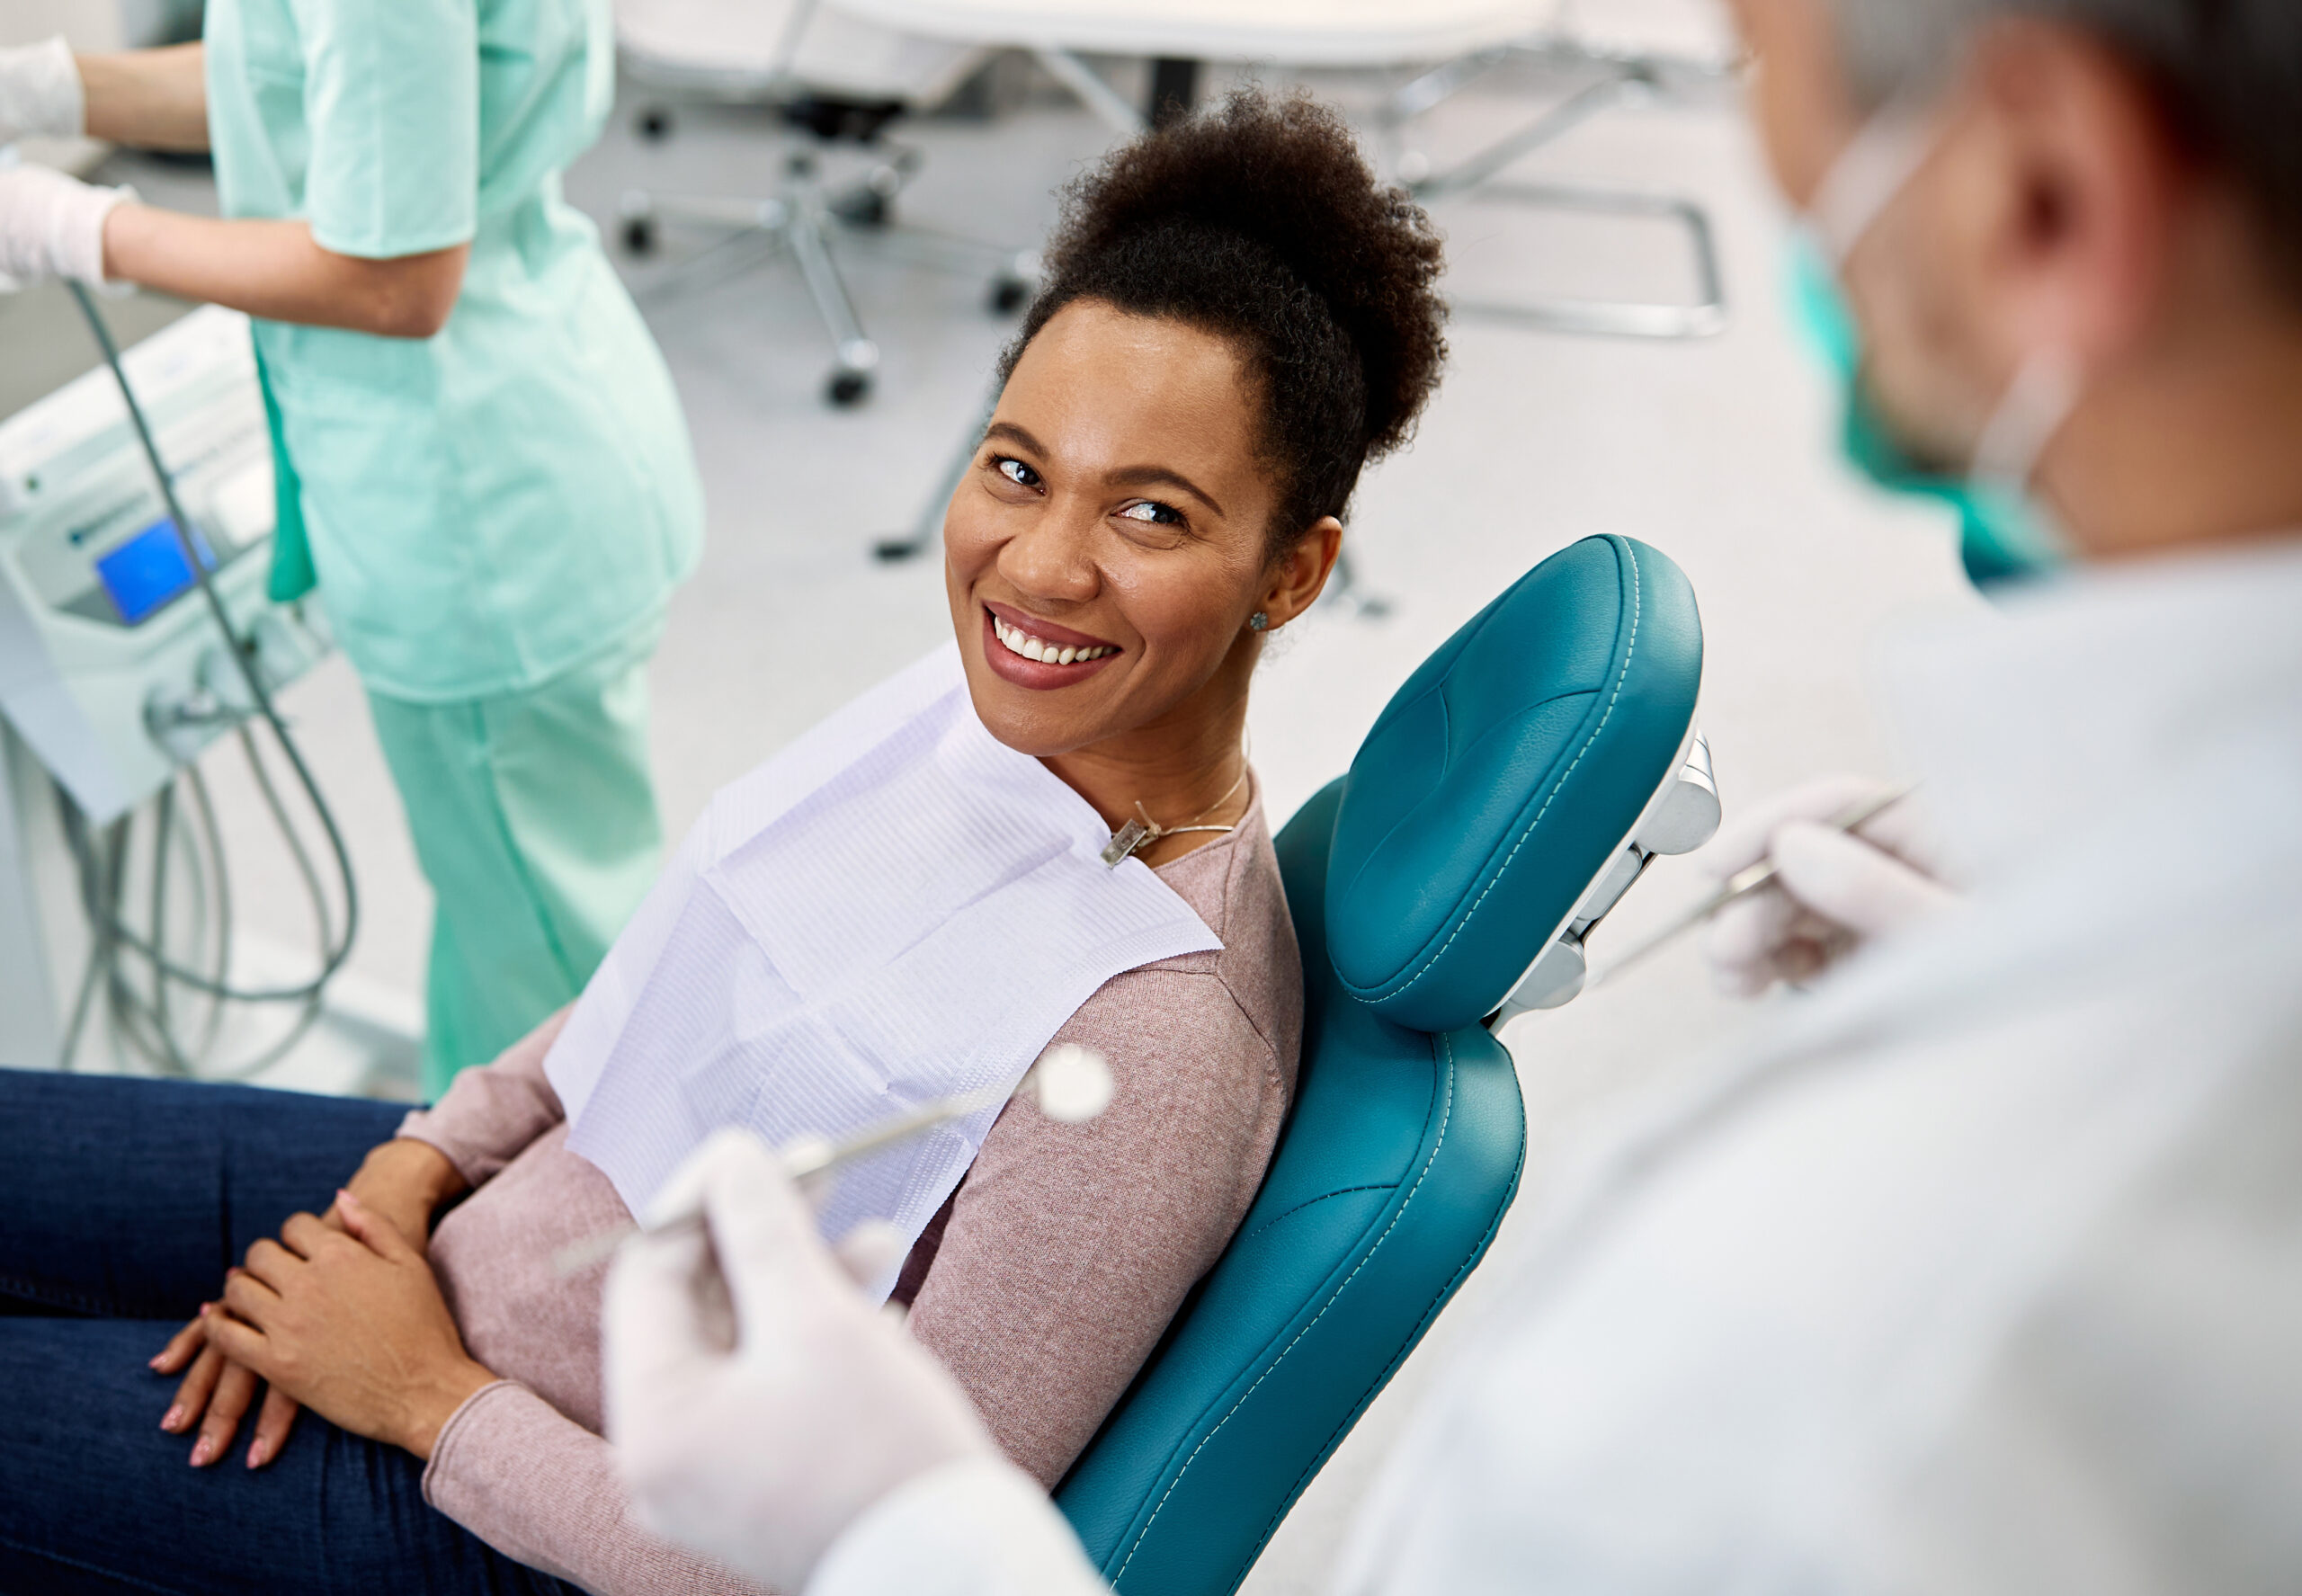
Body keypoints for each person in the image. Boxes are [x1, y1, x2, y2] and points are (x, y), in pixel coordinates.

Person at [595, 1, 2302, 1592]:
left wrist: (904, 1539)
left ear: (2049, 196)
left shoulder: (1863, 1340)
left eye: (1757, 78)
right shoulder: (2166, 974)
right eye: (1018, 468)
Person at [0, 89, 1450, 1596]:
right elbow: (679, 981)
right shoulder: (980, 721)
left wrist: (422, 1393)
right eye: (1015, 468)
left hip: (511, 1505)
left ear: (1293, 573)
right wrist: (427, 1159)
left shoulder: (1154, 1059)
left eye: (1151, 513)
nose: (1039, 567)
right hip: (481, 1221)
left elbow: (851, 1558)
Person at [0, 9, 704, 1099]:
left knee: (554, 994)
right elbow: (304, 77)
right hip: (540, 413)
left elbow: (392, 279)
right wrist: (49, 90)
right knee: (512, 898)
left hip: (477, 510)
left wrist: (71, 229)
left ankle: (529, 1243)